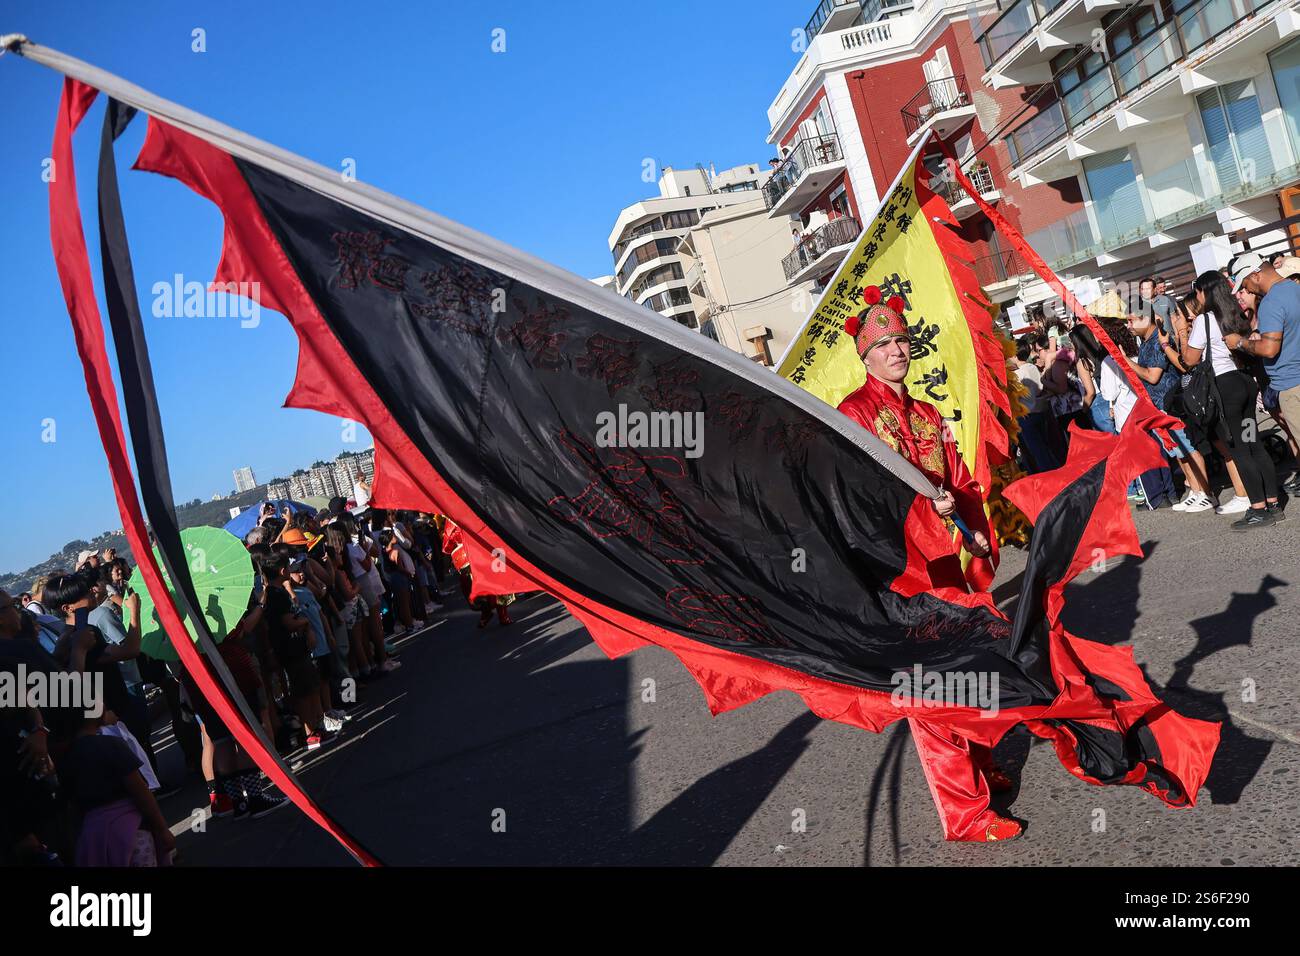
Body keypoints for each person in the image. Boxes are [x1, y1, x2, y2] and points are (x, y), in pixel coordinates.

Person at [834, 290, 1017, 844]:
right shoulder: (854, 415)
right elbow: (858, 498)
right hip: (902, 577)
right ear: (864, 357)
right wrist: (918, 505)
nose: (896, 350)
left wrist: (978, 526)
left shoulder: (928, 413)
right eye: (884, 344)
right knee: (931, 690)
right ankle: (965, 812)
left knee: (974, 667)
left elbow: (958, 478)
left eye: (901, 340)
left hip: (947, 569)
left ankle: (982, 767)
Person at [1183, 270, 1282, 529]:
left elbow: (1190, 360)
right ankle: (1273, 501)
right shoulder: (1235, 314)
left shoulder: (1204, 320)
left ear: (1204, 292)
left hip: (1225, 388)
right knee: (1253, 443)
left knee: (1239, 449)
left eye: (1198, 291)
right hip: (1244, 384)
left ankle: (1258, 507)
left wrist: (1182, 333)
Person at [1231, 253, 1300, 496]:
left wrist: (1240, 343)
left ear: (1255, 275)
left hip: (1291, 384)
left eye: (1245, 284)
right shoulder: (1294, 288)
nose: (1246, 289)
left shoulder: (1271, 301)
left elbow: (1270, 349)